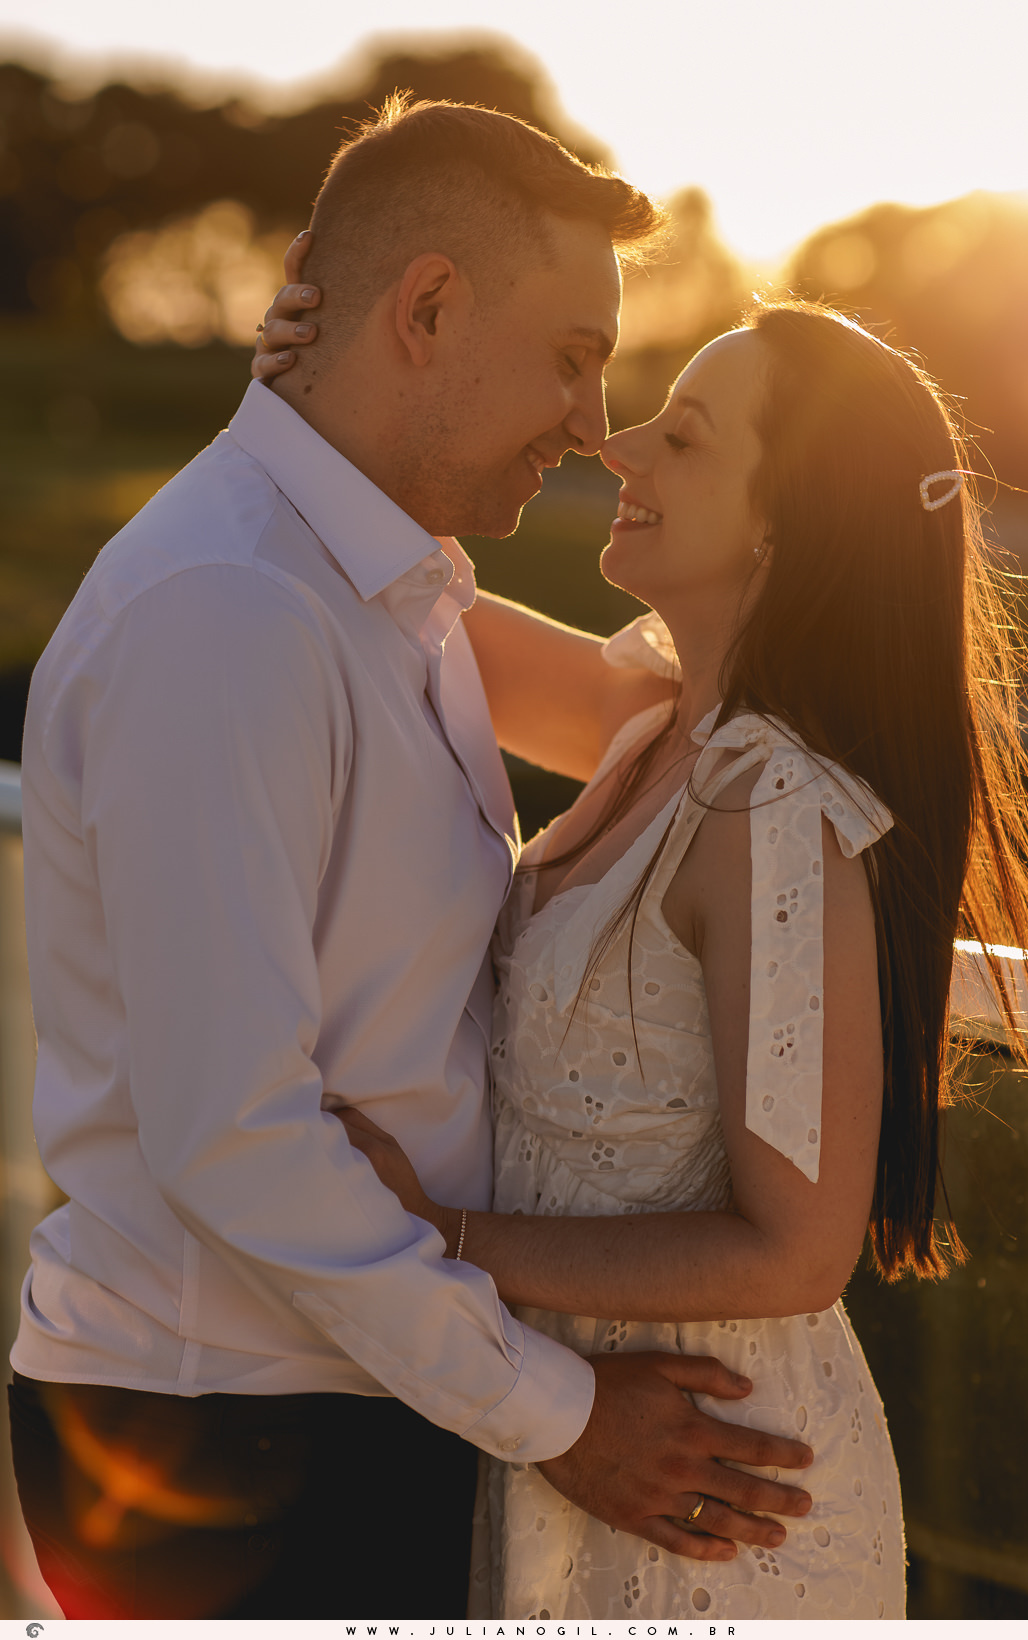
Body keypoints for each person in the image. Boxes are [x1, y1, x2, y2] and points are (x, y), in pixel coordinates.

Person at [7, 99, 815, 1622]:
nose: (592, 422)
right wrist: (562, 1416)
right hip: (228, 1449)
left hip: (350, 1400)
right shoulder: (232, 614)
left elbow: (669, 716)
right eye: (573, 355)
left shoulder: (386, 587)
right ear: (428, 309)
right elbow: (233, 1135)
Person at [258, 286, 1028, 1618]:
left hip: (718, 1487)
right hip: (586, 1427)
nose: (619, 445)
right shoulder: (653, 723)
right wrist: (312, 400)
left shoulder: (775, 814)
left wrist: (440, 1233)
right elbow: (402, 602)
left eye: (683, 437)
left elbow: (796, 1252)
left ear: (783, 524)